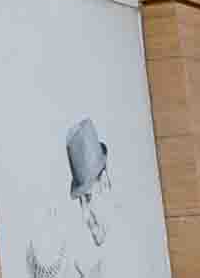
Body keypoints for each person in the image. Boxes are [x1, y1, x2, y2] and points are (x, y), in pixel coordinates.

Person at [16, 116, 126, 278]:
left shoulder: (125, 253)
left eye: (88, 198)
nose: (85, 215)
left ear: (105, 182)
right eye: (81, 201)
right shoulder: (100, 260)